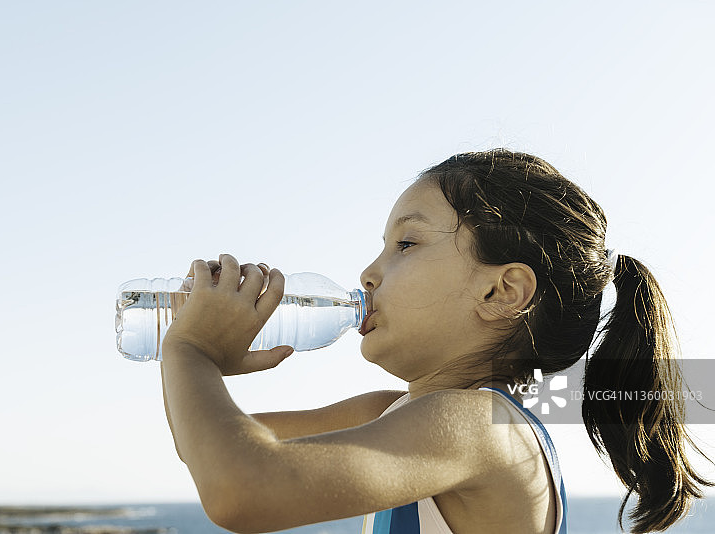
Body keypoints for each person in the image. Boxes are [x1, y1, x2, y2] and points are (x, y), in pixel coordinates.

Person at [160, 149, 712, 534]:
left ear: (501, 291)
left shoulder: (481, 429)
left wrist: (190, 353)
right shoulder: (396, 412)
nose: (368, 274)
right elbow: (203, 448)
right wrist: (210, 357)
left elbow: (239, 490)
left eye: (405, 243)